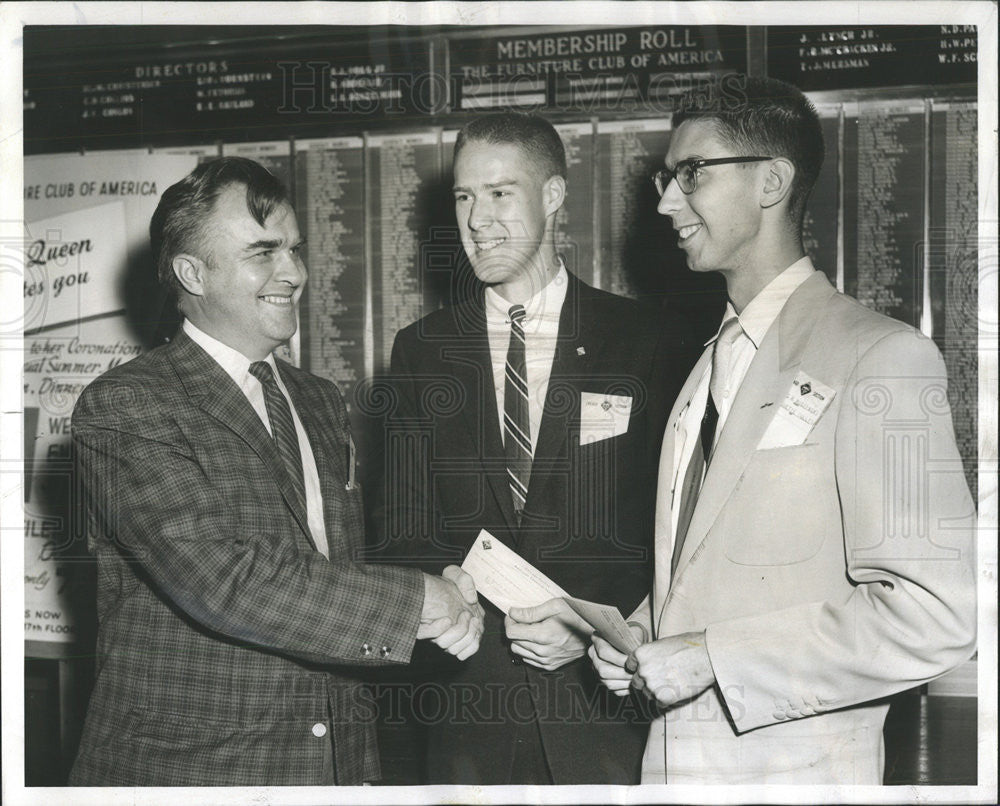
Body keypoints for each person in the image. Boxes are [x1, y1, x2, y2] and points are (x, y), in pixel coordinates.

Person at [589, 75, 977, 785]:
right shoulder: (706, 368)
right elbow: (719, 571)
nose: (667, 202)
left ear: (771, 181)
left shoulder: (882, 357)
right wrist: (642, 633)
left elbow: (935, 616)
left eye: (691, 174)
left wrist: (714, 656)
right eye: (665, 178)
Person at [68, 157, 484, 787]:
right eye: (264, 252)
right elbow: (225, 580)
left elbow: (334, 571)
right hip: (195, 770)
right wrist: (416, 601)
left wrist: (445, 594)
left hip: (333, 762)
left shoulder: (318, 399)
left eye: (295, 248)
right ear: (192, 273)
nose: (294, 272)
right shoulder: (129, 406)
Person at [370, 112, 691, 784]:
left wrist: (588, 625)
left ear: (552, 196)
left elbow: (674, 530)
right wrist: (447, 589)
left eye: (499, 193)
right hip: (466, 706)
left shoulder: (646, 340)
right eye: (463, 197)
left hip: (605, 706)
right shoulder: (421, 351)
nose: (477, 221)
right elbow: (399, 529)